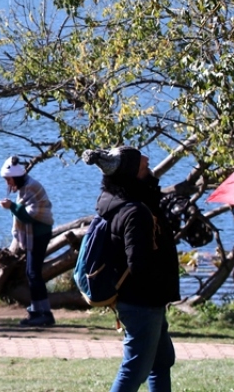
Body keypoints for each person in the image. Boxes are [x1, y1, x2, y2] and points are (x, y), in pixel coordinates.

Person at [83, 145, 181, 392]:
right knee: (134, 370)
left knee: (161, 362)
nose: (151, 173)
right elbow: (138, 264)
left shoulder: (116, 201)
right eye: (145, 168)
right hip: (142, 302)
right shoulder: (135, 211)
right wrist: (161, 287)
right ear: (130, 175)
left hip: (141, 300)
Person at [0, 155, 55, 326]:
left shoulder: (30, 187)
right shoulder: (26, 187)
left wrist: (11, 207)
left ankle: (43, 313)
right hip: (36, 234)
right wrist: (13, 207)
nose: (8, 183)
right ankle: (38, 311)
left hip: (39, 233)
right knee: (32, 273)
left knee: (33, 273)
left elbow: (29, 216)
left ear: (16, 177)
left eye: (8, 180)